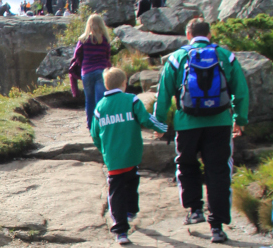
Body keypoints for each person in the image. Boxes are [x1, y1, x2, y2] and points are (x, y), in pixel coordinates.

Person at [154, 19, 249, 244]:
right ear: (210, 34)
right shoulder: (226, 56)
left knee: (186, 166)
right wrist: (240, 119)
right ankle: (217, 227)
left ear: (188, 35)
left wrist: (158, 125)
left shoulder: (177, 58)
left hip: (187, 124)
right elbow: (241, 91)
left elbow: (163, 95)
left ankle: (195, 210)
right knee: (218, 171)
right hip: (220, 124)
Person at [91, 68, 168, 245]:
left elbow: (95, 133)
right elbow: (146, 119)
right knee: (132, 182)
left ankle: (120, 231)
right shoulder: (132, 100)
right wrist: (162, 128)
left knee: (116, 193)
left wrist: (104, 150)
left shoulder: (99, 107)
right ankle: (131, 211)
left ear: (105, 85)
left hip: (113, 160)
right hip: (131, 157)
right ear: (124, 83)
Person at [72, 14, 112, 129]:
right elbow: (107, 56)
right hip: (101, 71)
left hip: (87, 72)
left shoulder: (83, 39)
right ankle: (101, 125)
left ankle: (90, 125)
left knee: (89, 100)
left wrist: (82, 64)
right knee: (100, 100)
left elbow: (77, 55)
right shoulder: (105, 40)